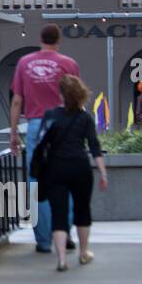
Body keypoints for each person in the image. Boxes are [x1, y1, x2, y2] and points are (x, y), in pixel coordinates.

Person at [9, 24, 81, 253]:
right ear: (58, 40)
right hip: (63, 125)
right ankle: (64, 232)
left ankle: (43, 240)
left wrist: (13, 133)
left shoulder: (24, 63)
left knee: (36, 181)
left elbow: (17, 101)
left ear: (40, 39)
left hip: (36, 126)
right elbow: (76, 101)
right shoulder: (68, 64)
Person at [38, 75, 108, 271]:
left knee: (58, 213)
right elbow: (95, 147)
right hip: (80, 167)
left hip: (55, 168)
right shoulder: (85, 117)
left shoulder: (50, 115)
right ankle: (84, 253)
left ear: (60, 94)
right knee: (82, 210)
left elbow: (41, 142)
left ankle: (61, 260)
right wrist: (103, 173)